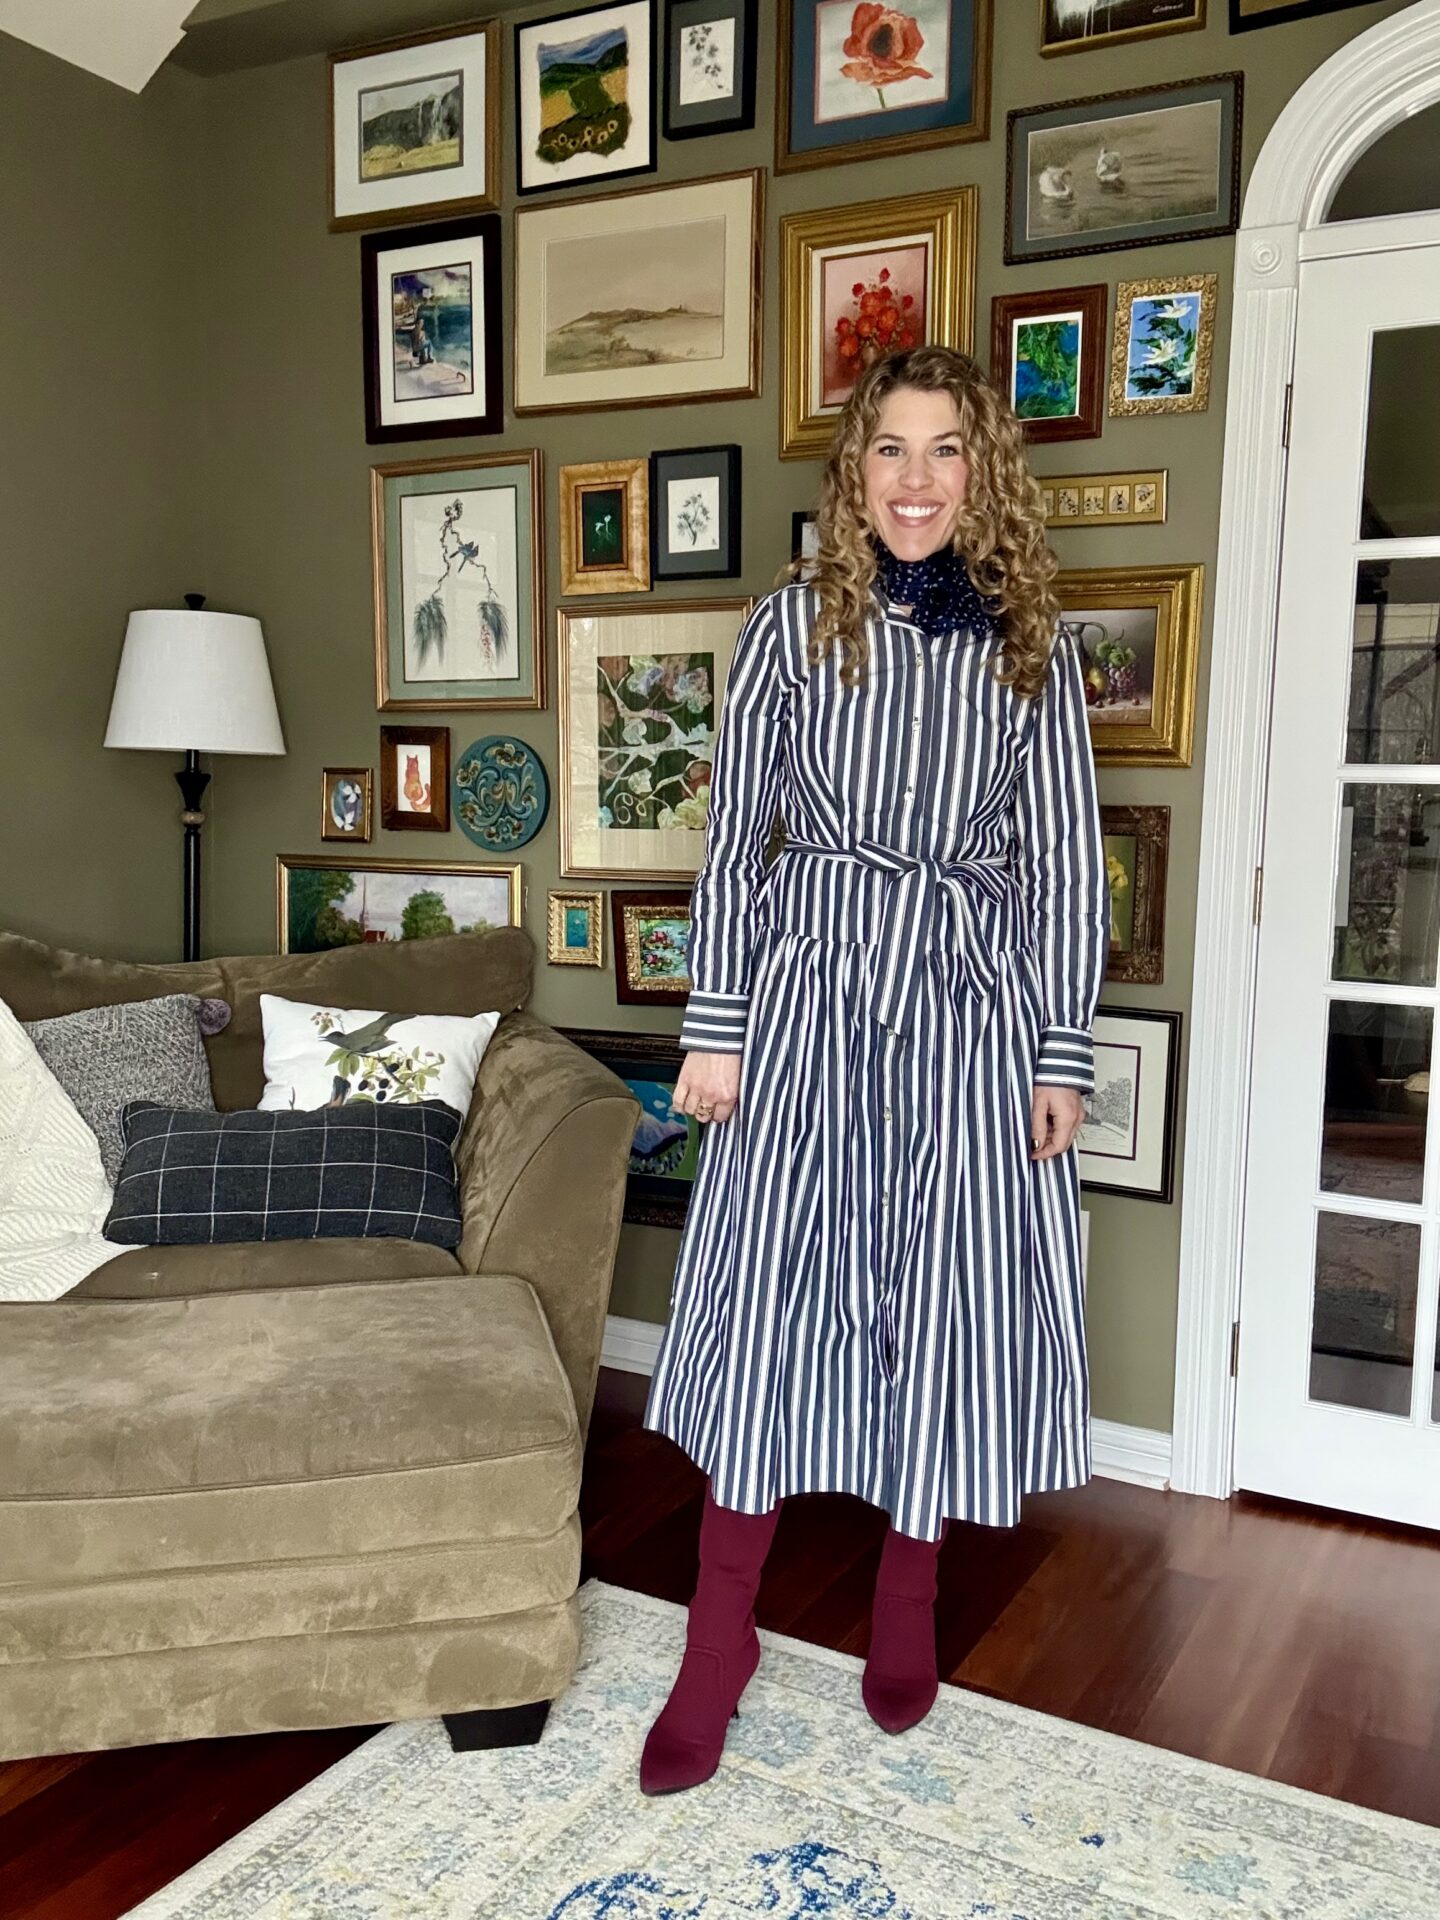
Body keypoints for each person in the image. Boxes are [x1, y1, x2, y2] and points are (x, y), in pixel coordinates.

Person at [636, 343, 1110, 1797]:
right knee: (777, 1307)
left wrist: (1060, 1051)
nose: (915, 480)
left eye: (945, 451)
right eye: (890, 450)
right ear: (855, 473)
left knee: (946, 1315)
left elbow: (1062, 863)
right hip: (809, 1000)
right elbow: (738, 840)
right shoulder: (791, 627)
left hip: (968, 1007)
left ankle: (905, 1605)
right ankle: (719, 1641)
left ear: (986, 472)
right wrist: (717, 1028)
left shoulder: (1035, 641)